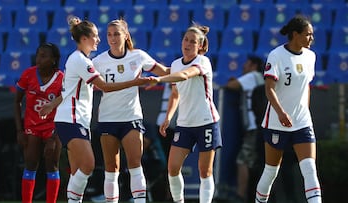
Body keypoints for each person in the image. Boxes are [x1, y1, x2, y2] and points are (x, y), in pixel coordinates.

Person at [40, 16, 151, 203]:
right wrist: (136, 82)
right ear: (84, 39)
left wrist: (52, 105)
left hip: (77, 119)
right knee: (88, 165)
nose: (99, 40)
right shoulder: (80, 61)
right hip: (71, 120)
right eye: (97, 36)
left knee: (77, 171)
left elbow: (67, 90)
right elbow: (105, 86)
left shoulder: (82, 60)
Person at [91, 18, 170, 203]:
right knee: (111, 168)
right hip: (107, 119)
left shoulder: (138, 56)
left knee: (135, 164)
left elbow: (164, 72)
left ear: (126, 35)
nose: (112, 38)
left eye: (116, 34)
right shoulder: (99, 61)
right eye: (109, 34)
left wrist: (188, 70)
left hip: (131, 117)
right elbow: (80, 80)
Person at [149, 24, 222, 203]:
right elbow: (175, 94)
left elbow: (184, 76)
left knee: (205, 171)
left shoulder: (202, 62)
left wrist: (159, 78)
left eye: (192, 41)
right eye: (185, 40)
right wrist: (168, 117)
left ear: (200, 46)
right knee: (173, 168)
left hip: (206, 121)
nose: (187, 44)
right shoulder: (175, 64)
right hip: (184, 124)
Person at [255, 15, 322, 203]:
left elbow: (306, 86)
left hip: (301, 122)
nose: (311, 39)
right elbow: (269, 89)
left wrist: (304, 112)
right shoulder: (276, 56)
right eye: (308, 34)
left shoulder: (311, 57)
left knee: (309, 169)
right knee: (270, 171)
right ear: (295, 34)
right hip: (277, 122)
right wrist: (281, 113)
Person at [14, 42, 63, 203]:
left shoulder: (61, 79)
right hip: (32, 127)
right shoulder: (28, 74)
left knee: (52, 165)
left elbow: (66, 107)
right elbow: (17, 102)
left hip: (53, 127)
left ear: (53, 60)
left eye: (44, 56)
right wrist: (19, 131)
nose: (39, 59)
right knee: (30, 164)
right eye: (38, 55)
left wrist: (55, 135)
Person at [224, 55, 264, 202]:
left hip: (253, 127)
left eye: (246, 64)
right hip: (260, 126)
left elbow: (232, 86)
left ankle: (241, 196)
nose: (244, 67)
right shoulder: (262, 78)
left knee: (243, 161)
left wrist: (232, 81)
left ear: (253, 66)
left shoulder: (253, 76)